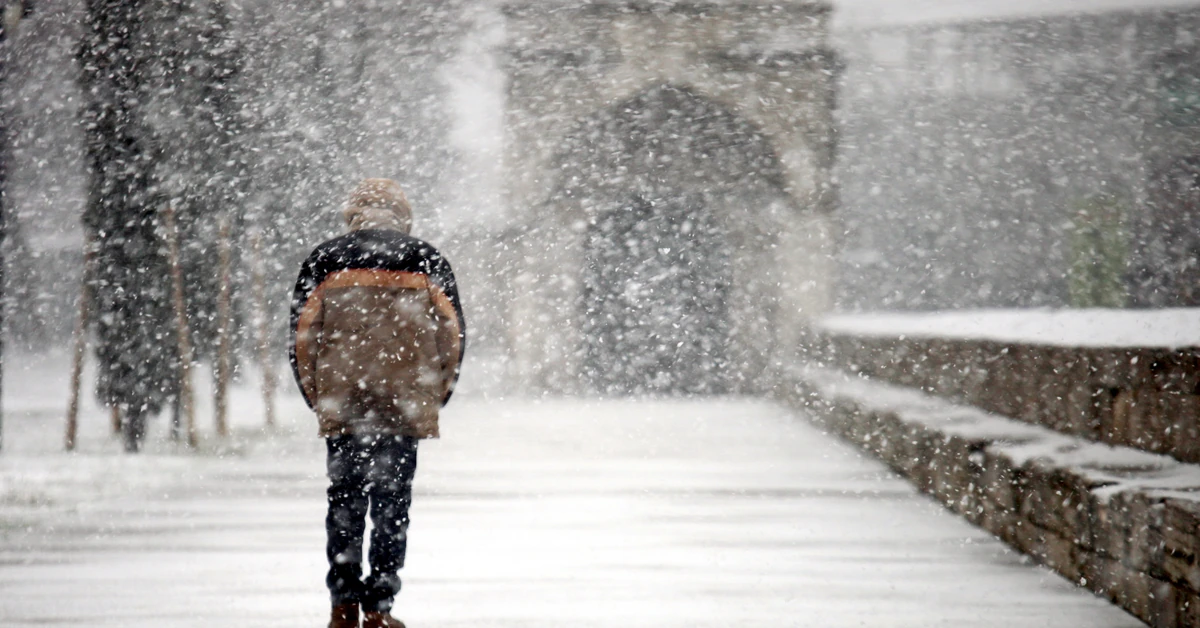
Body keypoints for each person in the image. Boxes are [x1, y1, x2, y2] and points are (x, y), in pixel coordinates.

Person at [289, 179, 466, 628]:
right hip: (405, 402)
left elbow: (302, 337)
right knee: (392, 503)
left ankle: (342, 604)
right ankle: (380, 607)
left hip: (344, 399)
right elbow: (452, 334)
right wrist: (436, 392)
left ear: (353, 214)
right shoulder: (426, 259)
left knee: (344, 500)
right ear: (402, 214)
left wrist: (318, 395)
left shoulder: (325, 259)